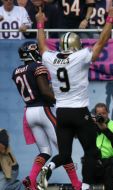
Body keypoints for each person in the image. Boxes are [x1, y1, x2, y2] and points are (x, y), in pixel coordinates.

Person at [35, 5, 113, 190]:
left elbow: (42, 46)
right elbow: (102, 42)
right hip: (79, 112)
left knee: (64, 155)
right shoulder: (80, 56)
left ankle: (48, 167)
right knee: (92, 151)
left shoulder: (50, 58)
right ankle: (85, 186)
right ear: (75, 45)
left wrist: (40, 23)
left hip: (62, 113)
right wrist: (110, 19)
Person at [12, 41, 57, 190]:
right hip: (42, 109)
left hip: (29, 112)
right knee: (64, 148)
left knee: (45, 151)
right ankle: (77, 185)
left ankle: (31, 179)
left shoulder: (16, 71)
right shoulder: (37, 67)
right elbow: (44, 91)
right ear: (31, 52)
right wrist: (59, 101)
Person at [81, 103, 113, 190]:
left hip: (109, 163)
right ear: (95, 114)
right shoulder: (91, 125)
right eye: (99, 114)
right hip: (92, 161)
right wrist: (89, 122)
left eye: (104, 113)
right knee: (87, 186)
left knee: (109, 187)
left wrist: (105, 129)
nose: (102, 116)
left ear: (108, 113)